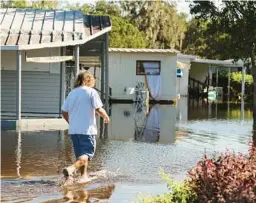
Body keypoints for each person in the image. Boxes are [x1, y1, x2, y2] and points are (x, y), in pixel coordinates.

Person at [61, 71, 110, 184]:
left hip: (74, 131)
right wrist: (106, 116)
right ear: (88, 80)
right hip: (87, 130)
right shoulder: (91, 92)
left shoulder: (72, 93)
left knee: (81, 156)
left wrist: (71, 122)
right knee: (86, 155)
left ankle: (83, 177)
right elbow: (98, 108)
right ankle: (71, 169)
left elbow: (64, 111)